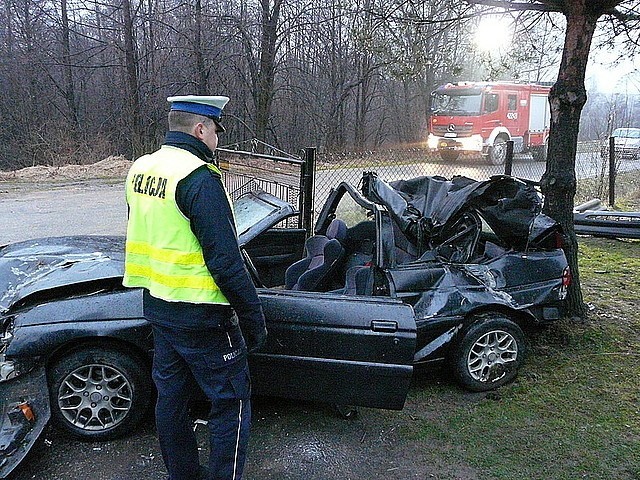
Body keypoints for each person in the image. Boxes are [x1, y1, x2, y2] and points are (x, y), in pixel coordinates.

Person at [122, 95, 267, 480]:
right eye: (216, 131)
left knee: (170, 399)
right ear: (201, 129)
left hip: (158, 306)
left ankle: (182, 474)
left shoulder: (141, 169)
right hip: (203, 316)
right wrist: (254, 319)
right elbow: (225, 260)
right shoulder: (199, 177)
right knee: (231, 402)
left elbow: (153, 231)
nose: (217, 139)